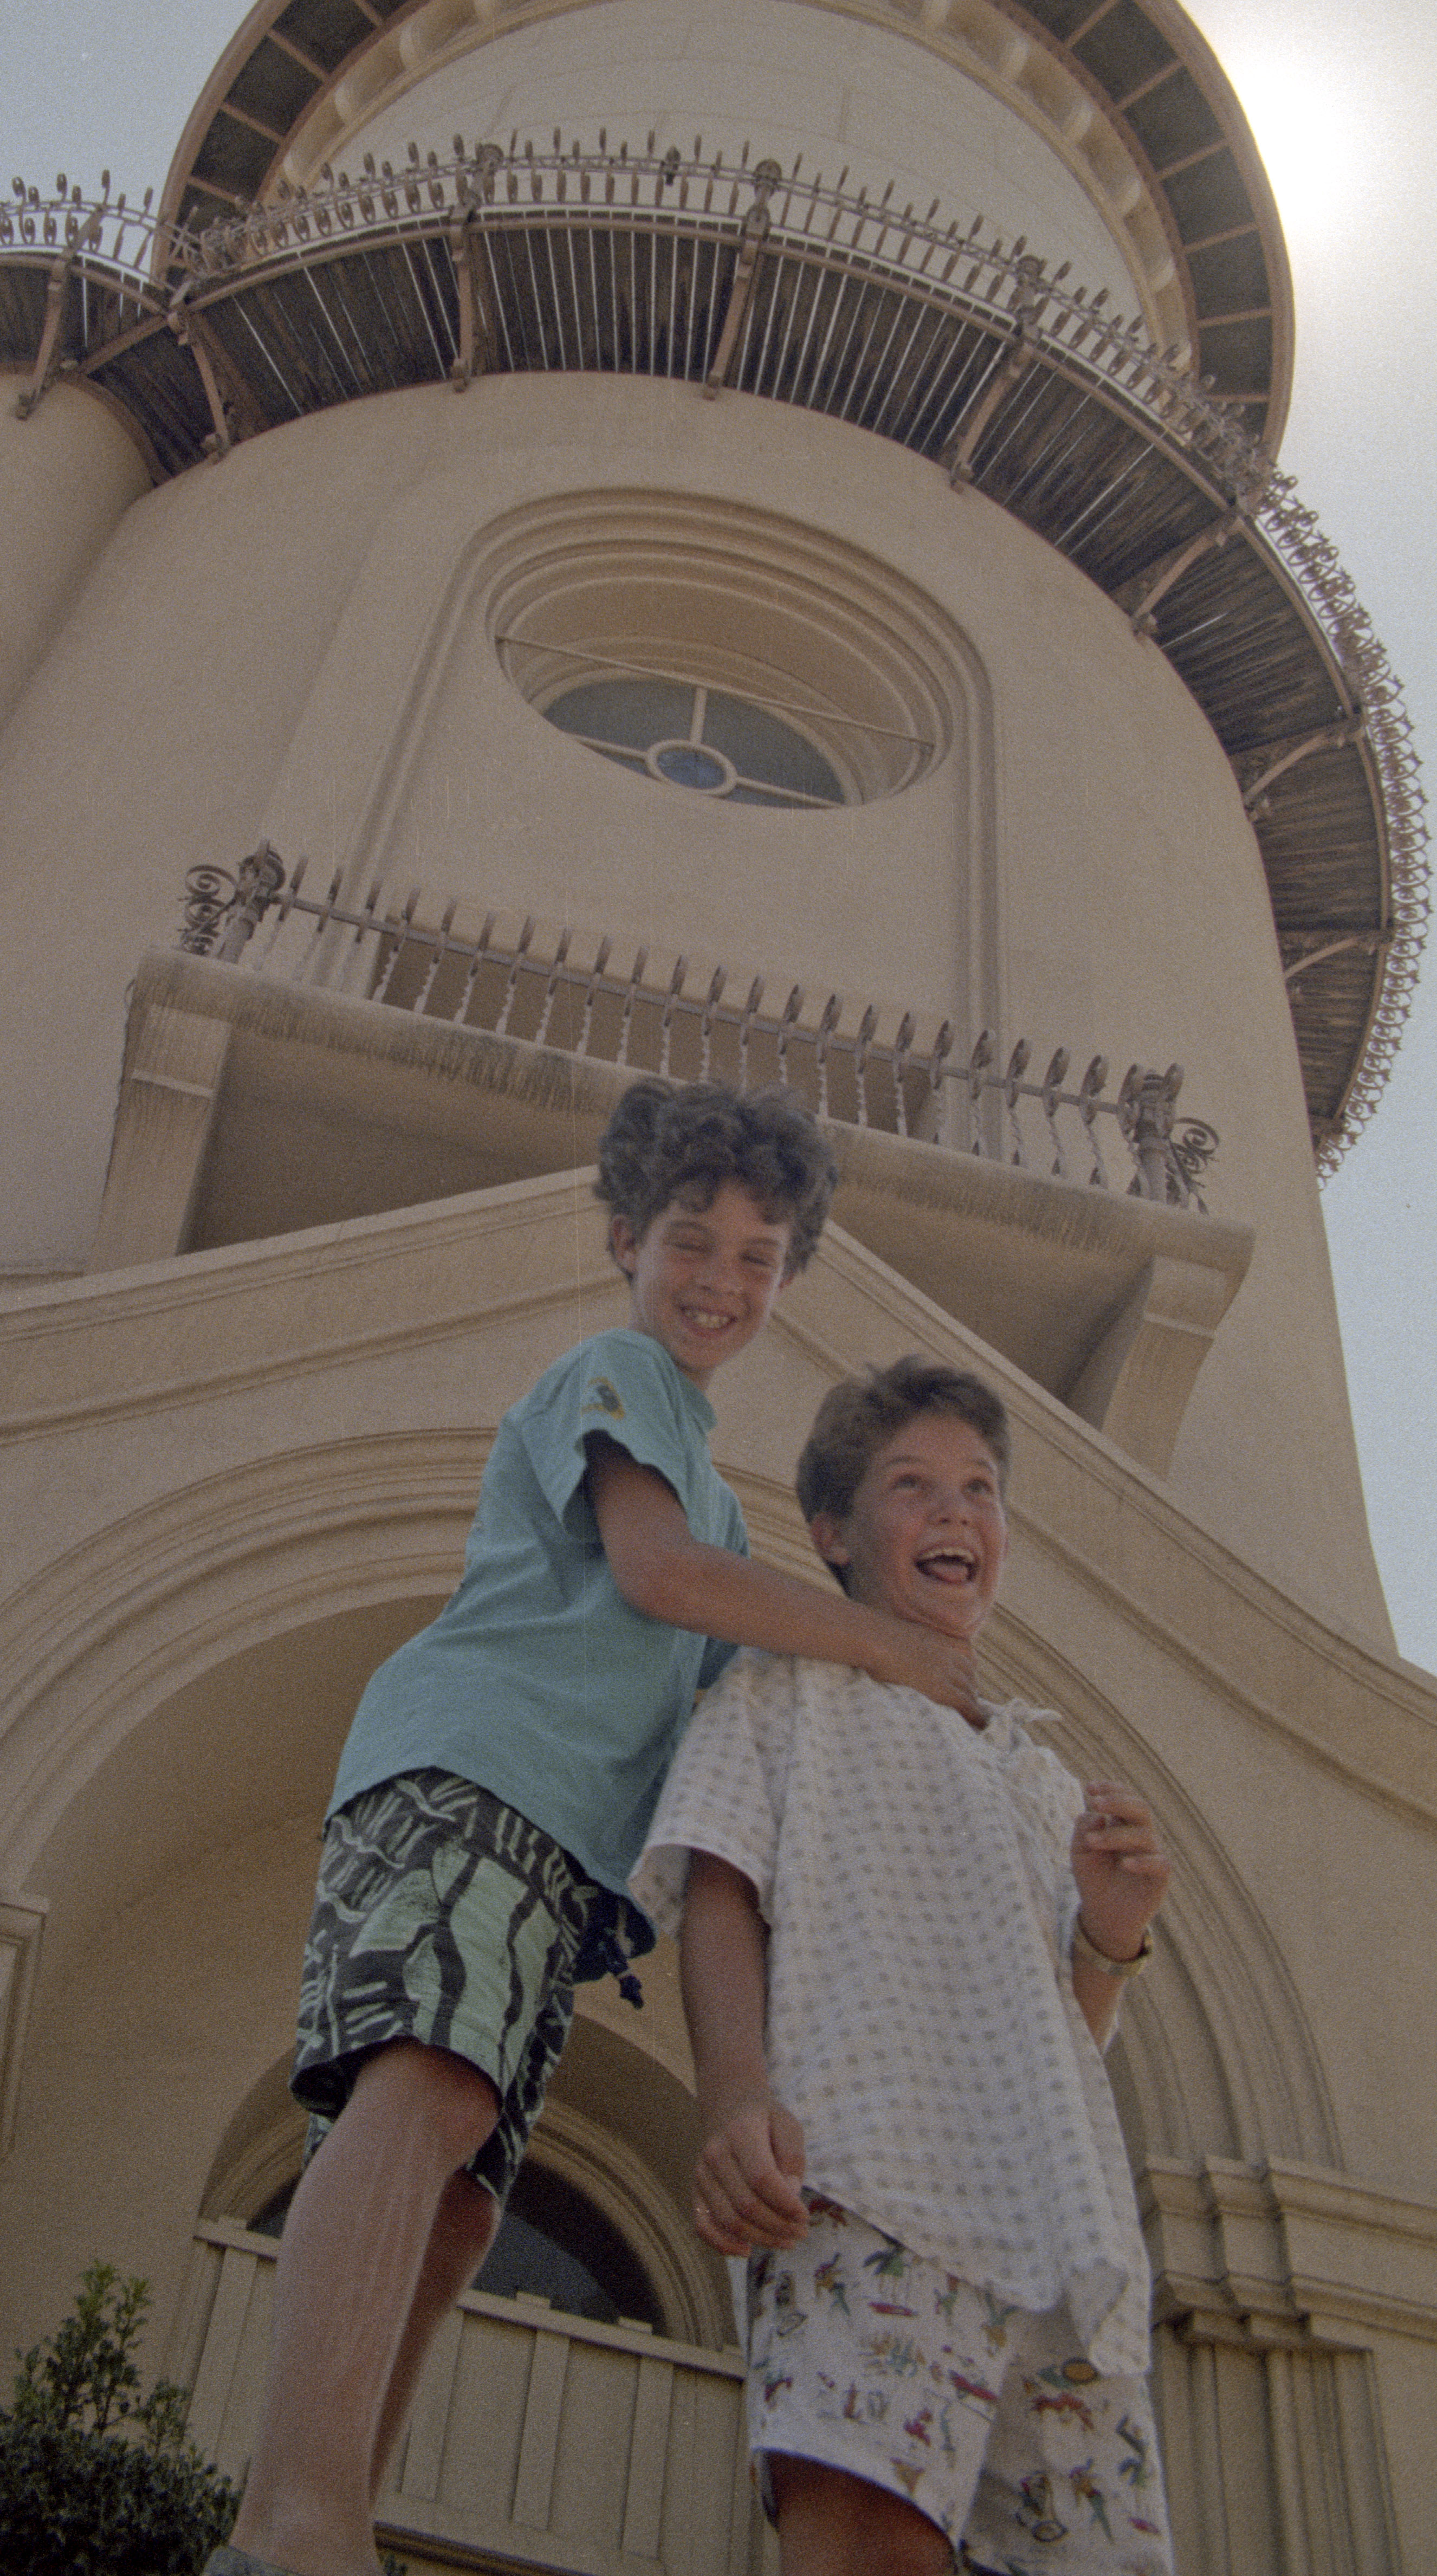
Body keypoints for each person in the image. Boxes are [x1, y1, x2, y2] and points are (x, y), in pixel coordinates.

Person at [210, 1086, 991, 2576]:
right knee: (424, 2094)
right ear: (625, 1239)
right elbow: (652, 1570)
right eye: (691, 1239)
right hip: (472, 1770)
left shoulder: (726, 1515)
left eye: (758, 1255)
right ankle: (296, 2524)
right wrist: (889, 1643)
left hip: (556, 1865)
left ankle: (324, 2517)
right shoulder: (616, 1373)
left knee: (457, 2206)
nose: (720, 1278)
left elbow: (748, 1706)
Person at [633, 1355, 1174, 2576]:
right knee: (871, 2547)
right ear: (833, 1531)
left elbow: (1066, 2035)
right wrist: (733, 2093)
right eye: (912, 1485)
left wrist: (1109, 1934)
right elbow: (720, 1885)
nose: (955, 1511)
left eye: (980, 1488)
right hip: (865, 2191)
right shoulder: (786, 1692)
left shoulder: (1038, 1774)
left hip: (1057, 2237)